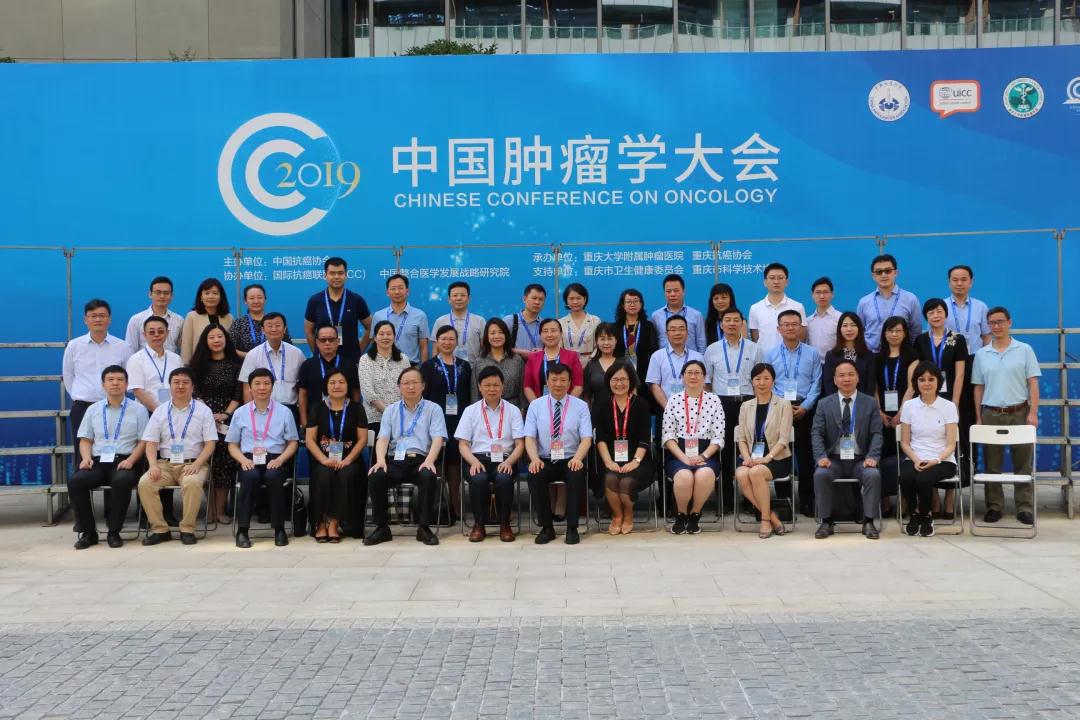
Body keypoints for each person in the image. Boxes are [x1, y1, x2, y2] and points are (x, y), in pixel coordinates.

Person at [971, 306, 1041, 526]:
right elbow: (978, 387)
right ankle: (994, 506)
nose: (996, 326)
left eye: (1000, 321)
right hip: (991, 413)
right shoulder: (982, 354)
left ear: (1009, 322)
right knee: (992, 464)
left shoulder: (1024, 350)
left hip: (1019, 412)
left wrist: (1033, 412)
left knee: (1023, 463)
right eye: (992, 322)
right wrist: (979, 417)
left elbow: (1033, 382)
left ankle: (1024, 507)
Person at [69, 365, 150, 549]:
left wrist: (131, 460)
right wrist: (86, 458)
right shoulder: (93, 409)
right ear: (103, 384)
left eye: (120, 380)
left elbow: (144, 441)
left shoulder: (138, 410)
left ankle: (114, 532)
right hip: (98, 462)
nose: (115, 383)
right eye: (110, 380)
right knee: (76, 482)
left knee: (122, 481)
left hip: (125, 461)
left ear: (127, 384)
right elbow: (85, 440)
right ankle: (88, 533)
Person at [365, 367, 447, 547]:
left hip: (421, 459)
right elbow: (383, 438)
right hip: (396, 461)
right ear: (399, 387)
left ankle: (424, 528)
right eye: (406, 383)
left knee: (428, 475)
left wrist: (430, 461)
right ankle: (382, 528)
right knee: (377, 476)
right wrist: (380, 460)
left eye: (414, 382)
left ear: (423, 386)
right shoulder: (390, 410)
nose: (410, 387)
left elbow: (438, 438)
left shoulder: (433, 409)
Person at [137, 368, 217, 546]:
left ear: (192, 387)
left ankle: (187, 529)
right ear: (170, 386)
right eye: (176, 382)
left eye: (185, 382)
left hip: (193, 464)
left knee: (192, 483)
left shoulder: (203, 411)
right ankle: (160, 529)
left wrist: (197, 464)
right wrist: (153, 465)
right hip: (165, 465)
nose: (181, 386)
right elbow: (151, 442)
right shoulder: (160, 411)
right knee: (145, 483)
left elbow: (210, 443)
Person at [226, 369, 300, 548]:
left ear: (272, 387)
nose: (262, 388)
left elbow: (293, 443)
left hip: (276, 458)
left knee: (273, 476)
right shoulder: (240, 413)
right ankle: (242, 530)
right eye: (257, 384)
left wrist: (281, 459)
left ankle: (279, 529)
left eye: (266, 383)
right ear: (250, 388)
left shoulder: (284, 412)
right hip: (249, 459)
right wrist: (243, 460)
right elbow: (232, 445)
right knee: (249, 477)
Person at [811, 360, 883, 540]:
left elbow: (877, 433)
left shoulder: (870, 403)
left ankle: (868, 521)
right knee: (821, 474)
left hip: (861, 459)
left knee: (873, 475)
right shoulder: (824, 404)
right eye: (841, 375)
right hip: (833, 460)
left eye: (851, 374)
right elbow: (816, 433)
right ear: (835, 380)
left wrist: (873, 456)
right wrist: (821, 457)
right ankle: (826, 521)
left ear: (858, 377)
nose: (846, 379)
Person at [911, 298, 969, 517]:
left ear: (945, 314)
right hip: (927, 398)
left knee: (950, 445)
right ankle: (934, 497)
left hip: (950, 400)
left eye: (939, 311)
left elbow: (960, 373)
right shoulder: (921, 340)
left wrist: (955, 403)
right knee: (929, 444)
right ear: (926, 317)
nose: (935, 315)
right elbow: (917, 372)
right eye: (931, 312)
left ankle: (950, 500)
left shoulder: (957, 339)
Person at [524, 362, 593, 545]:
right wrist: (534, 459)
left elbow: (586, 438)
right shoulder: (536, 405)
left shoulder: (581, 406)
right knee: (535, 474)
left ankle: (572, 528)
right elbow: (529, 437)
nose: (558, 384)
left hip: (571, 458)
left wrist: (578, 458)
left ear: (570, 382)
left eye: (563, 380)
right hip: (545, 459)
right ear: (547, 382)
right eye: (554, 380)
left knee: (576, 474)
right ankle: (547, 528)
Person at [455, 366, 526, 542]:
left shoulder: (513, 410)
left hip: (505, 459)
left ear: (503, 386)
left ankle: (505, 525)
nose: (492, 389)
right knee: (479, 479)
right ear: (479, 387)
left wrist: (509, 462)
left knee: (504, 479)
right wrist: (473, 462)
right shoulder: (470, 411)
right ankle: (479, 525)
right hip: (477, 459)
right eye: (487, 385)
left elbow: (520, 444)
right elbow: (463, 444)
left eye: (496, 385)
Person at [763, 309, 822, 517]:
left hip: (804, 409)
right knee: (781, 456)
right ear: (779, 329)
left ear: (801, 328)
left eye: (794, 324)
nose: (790, 328)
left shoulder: (812, 353)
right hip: (779, 409)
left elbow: (816, 383)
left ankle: (807, 502)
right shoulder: (770, 354)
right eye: (786, 325)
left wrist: (806, 406)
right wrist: (781, 406)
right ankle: (784, 503)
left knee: (806, 458)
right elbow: (767, 382)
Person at [703, 307, 761, 512]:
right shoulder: (712, 349)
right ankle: (725, 500)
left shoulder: (754, 348)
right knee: (724, 451)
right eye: (727, 320)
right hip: (721, 404)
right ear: (721, 324)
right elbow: (707, 382)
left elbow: (760, 380)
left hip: (748, 403)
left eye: (736, 320)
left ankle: (751, 501)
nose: (732, 324)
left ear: (742, 324)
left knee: (750, 450)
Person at [661, 360, 726, 534]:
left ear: (704, 377)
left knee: (705, 474)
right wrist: (684, 458)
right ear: (682, 377)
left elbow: (718, 437)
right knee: (684, 476)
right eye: (689, 373)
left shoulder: (714, 400)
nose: (693, 376)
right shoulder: (673, 400)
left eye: (698, 373)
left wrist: (703, 456)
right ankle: (681, 515)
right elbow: (668, 436)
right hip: (679, 452)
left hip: (706, 452)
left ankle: (695, 514)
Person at [306, 368, 369, 542]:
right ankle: (320, 523)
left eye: (341, 382)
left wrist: (348, 460)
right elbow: (310, 440)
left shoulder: (357, 409)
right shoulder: (317, 408)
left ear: (348, 386)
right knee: (323, 474)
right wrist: (324, 459)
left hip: (350, 460)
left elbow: (362, 440)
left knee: (346, 474)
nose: (337, 386)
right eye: (332, 382)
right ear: (326, 386)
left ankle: (334, 522)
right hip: (323, 459)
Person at [188, 324, 243, 525]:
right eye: (212, 337)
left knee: (224, 467)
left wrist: (226, 413)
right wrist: (208, 414)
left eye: (220, 336)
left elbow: (238, 394)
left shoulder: (235, 365)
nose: (216, 340)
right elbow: (194, 392)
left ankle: (221, 510)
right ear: (205, 340)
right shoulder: (196, 365)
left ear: (226, 339)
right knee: (206, 463)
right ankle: (209, 509)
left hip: (228, 419)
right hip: (202, 417)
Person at [899, 361, 959, 537]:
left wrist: (935, 461)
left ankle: (926, 516)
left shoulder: (948, 407)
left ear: (938, 382)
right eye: (922, 379)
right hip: (915, 457)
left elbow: (951, 445)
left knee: (923, 479)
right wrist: (916, 460)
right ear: (916, 383)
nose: (926, 383)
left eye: (931, 379)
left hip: (943, 460)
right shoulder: (909, 406)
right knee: (906, 477)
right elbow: (904, 443)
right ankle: (915, 514)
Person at [592, 362, 653, 536]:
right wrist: (608, 461)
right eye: (615, 379)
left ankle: (628, 514)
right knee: (610, 477)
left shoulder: (641, 404)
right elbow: (600, 438)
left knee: (626, 481)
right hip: (610, 458)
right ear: (608, 381)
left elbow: (645, 438)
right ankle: (617, 515)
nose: (619, 383)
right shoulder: (601, 405)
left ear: (631, 381)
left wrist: (635, 461)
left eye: (624, 379)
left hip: (638, 459)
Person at [420, 325, 473, 522]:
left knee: (455, 463)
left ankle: (456, 504)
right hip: (435, 421)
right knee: (437, 461)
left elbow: (469, 395)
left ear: (457, 342)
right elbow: (424, 397)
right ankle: (438, 506)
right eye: (443, 338)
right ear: (437, 341)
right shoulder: (427, 366)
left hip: (459, 421)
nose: (447, 342)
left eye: (451, 339)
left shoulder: (465, 366)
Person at [733, 363, 793, 538]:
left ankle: (765, 521)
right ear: (752, 381)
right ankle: (772, 517)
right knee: (741, 474)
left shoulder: (783, 404)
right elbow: (741, 438)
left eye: (766, 378)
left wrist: (767, 458)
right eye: (758, 378)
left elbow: (784, 439)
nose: (762, 382)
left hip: (777, 458)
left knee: (756, 472)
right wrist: (746, 458)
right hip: (751, 457)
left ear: (773, 381)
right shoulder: (746, 406)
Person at [62, 299, 132, 444]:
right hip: (83, 406)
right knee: (82, 450)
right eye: (93, 316)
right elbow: (68, 375)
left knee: (114, 449)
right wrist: (78, 395)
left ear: (109, 319)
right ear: (85, 319)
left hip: (114, 405)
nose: (98, 319)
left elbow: (128, 375)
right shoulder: (74, 345)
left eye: (102, 315)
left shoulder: (122, 346)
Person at [875, 316, 918, 511]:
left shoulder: (912, 356)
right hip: (882, 414)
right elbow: (874, 387)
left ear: (905, 333)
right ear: (884, 333)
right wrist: (879, 411)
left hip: (905, 414)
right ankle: (884, 499)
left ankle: (905, 500)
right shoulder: (877, 357)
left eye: (898, 330)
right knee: (882, 455)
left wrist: (902, 412)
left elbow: (912, 387)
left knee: (904, 456)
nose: (894, 334)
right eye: (890, 330)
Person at [237, 312, 305, 424]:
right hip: (262, 409)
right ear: (263, 330)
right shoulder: (253, 355)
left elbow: (303, 388)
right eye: (269, 326)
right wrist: (250, 416)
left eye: (278, 325)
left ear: (284, 329)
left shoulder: (297, 354)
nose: (274, 329)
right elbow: (246, 387)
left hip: (290, 409)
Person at [303, 257, 372, 359]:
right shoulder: (315, 301)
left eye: (340, 273)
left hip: (350, 360)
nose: (336, 277)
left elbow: (370, 328)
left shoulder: (356, 300)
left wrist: (358, 351)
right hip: (323, 360)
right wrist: (318, 353)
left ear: (346, 275)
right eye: (332, 273)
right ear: (325, 275)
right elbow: (309, 331)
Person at [298, 322, 361, 429]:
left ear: (338, 341)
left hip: (345, 420)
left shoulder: (349, 365)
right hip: (314, 421)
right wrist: (304, 422)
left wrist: (355, 416)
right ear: (317, 342)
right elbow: (302, 394)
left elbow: (356, 392)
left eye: (331, 339)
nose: (327, 343)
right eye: (323, 340)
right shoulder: (307, 365)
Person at [357, 320, 413, 437]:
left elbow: (409, 387)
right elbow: (368, 392)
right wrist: (390, 413)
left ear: (394, 337)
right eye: (381, 334)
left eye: (389, 334)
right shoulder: (365, 360)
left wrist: (400, 413)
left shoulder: (404, 359)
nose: (385, 337)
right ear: (375, 337)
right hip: (374, 418)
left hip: (401, 417)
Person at [856, 254, 922, 352]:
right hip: (871, 355)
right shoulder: (864, 302)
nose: (884, 275)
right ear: (873, 276)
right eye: (879, 272)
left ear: (896, 273)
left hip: (901, 355)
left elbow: (916, 332)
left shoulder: (911, 299)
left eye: (888, 271)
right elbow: (859, 331)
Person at [646, 315, 706, 411]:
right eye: (673, 330)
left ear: (687, 333)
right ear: (666, 334)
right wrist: (668, 409)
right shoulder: (657, 356)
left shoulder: (698, 357)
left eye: (681, 329)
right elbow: (654, 385)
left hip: (693, 410)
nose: (677, 333)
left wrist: (695, 407)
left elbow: (704, 384)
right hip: (665, 409)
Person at [126, 316, 183, 414]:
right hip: (147, 412)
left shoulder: (176, 359)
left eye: (160, 331)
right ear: (144, 335)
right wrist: (160, 414)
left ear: (167, 333)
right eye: (152, 332)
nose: (156, 335)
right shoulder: (136, 360)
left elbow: (181, 386)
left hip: (175, 412)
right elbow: (138, 391)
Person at [748, 263, 807, 354]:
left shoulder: (797, 307)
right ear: (765, 282)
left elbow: (802, 336)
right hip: (764, 359)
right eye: (772, 278)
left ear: (787, 282)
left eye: (780, 278)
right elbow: (755, 337)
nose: (776, 282)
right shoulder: (755, 308)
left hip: (791, 357)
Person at [371, 273, 429, 364]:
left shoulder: (420, 316)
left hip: (410, 366)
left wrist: (424, 369)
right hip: (384, 366)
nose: (397, 292)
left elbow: (424, 347)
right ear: (387, 292)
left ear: (407, 291)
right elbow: (373, 343)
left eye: (401, 288)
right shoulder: (378, 316)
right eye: (393, 289)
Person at [523, 318, 584, 403]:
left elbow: (578, 385)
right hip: (540, 406)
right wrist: (537, 406)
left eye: (553, 330)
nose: (549, 335)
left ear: (561, 333)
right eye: (545, 331)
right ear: (540, 335)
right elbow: (527, 387)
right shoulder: (533, 358)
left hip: (566, 406)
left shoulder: (572, 356)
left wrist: (566, 405)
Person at [471, 318, 525, 410]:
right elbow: (474, 391)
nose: (497, 336)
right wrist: (476, 411)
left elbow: (522, 389)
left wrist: (522, 410)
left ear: (506, 335)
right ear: (487, 336)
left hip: (512, 408)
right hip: (486, 409)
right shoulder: (479, 362)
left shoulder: (516, 360)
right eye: (492, 333)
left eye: (501, 332)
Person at [612, 288, 659, 389]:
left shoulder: (648, 326)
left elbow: (654, 352)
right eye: (628, 301)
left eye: (635, 301)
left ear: (641, 304)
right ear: (623, 305)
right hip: (620, 373)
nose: (632, 304)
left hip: (644, 373)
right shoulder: (615, 327)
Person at [822, 312, 877, 397]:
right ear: (839, 329)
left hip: (862, 402)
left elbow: (870, 385)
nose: (849, 329)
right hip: (837, 403)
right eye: (845, 325)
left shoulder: (868, 355)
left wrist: (864, 403)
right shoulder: (831, 355)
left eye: (853, 325)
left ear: (859, 328)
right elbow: (828, 385)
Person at [179, 278, 233, 363]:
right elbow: (186, 346)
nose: (211, 296)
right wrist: (186, 366)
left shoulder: (229, 318)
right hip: (199, 365)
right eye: (207, 293)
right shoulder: (192, 316)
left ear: (220, 297)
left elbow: (231, 346)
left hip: (224, 364)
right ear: (201, 296)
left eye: (215, 293)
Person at [124, 276, 183, 354]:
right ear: (150, 294)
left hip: (171, 361)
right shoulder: (136, 320)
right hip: (143, 361)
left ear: (172, 296)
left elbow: (183, 349)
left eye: (166, 293)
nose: (162, 296)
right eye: (158, 292)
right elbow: (130, 350)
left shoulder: (179, 320)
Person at [231, 283, 293, 358]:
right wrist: (251, 356)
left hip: (276, 362)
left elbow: (288, 345)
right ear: (245, 301)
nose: (256, 301)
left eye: (260, 297)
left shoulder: (275, 321)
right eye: (252, 298)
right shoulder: (238, 324)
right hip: (247, 363)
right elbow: (230, 348)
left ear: (265, 299)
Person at [430, 281, 485, 363]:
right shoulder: (440, 321)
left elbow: (484, 349)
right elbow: (436, 349)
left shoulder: (480, 321)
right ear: (449, 299)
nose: (459, 298)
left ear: (469, 298)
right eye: (455, 295)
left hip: (473, 367)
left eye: (463, 295)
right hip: (446, 368)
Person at [651, 274, 706, 354]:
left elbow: (701, 343)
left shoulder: (696, 315)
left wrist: (700, 360)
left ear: (683, 291)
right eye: (668, 291)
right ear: (664, 293)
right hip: (664, 360)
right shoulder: (656, 316)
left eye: (676, 290)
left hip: (691, 360)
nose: (672, 294)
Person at [946, 264, 991, 354]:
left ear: (971, 282)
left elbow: (986, 336)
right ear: (949, 282)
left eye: (964, 280)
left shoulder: (981, 307)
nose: (959, 283)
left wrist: (987, 357)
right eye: (955, 280)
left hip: (976, 357)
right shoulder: (941, 307)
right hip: (949, 357)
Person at [582, 323, 626, 409]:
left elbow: (633, 390)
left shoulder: (625, 362)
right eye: (602, 339)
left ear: (616, 341)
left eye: (610, 339)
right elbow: (587, 396)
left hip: (623, 412)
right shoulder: (591, 365)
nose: (606, 343)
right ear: (597, 341)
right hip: (598, 412)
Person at [558, 282, 601, 364]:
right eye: (571, 299)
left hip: (591, 363)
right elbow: (559, 347)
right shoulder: (560, 322)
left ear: (585, 299)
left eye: (578, 298)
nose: (575, 302)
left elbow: (600, 345)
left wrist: (592, 359)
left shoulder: (595, 320)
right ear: (566, 301)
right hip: (568, 364)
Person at [503, 283, 546, 359]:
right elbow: (498, 347)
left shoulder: (544, 324)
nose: (537, 302)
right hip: (514, 364)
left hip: (538, 365)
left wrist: (544, 351)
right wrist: (521, 353)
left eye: (541, 299)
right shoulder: (509, 321)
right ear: (524, 299)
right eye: (534, 298)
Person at [806, 277, 842, 361]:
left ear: (832, 294)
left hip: (835, 363)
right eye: (818, 292)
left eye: (825, 292)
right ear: (812, 295)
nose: (822, 296)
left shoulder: (840, 318)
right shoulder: (808, 321)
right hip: (813, 365)